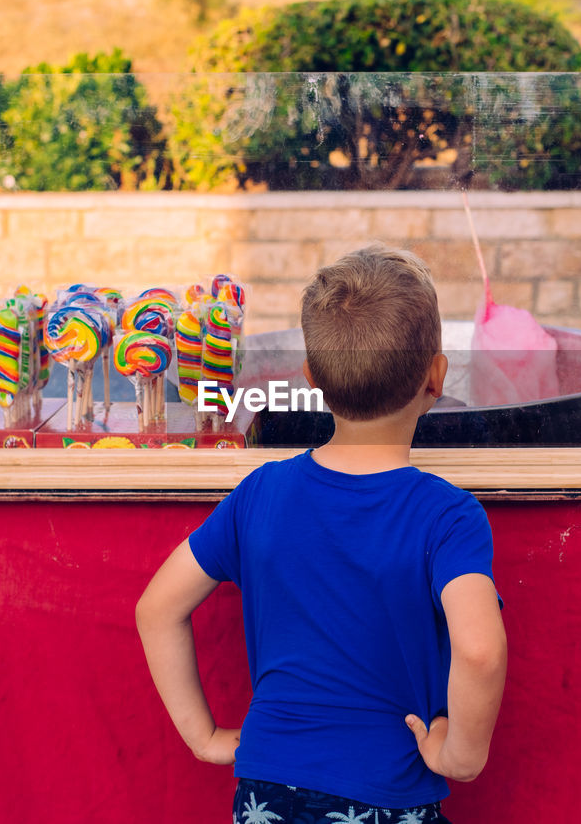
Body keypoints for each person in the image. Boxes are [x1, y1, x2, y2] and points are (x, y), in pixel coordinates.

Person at [136, 245, 507, 822]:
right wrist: (460, 755)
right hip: (390, 794)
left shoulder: (261, 493)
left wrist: (203, 736)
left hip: (268, 788)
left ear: (311, 380)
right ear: (437, 376)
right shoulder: (447, 516)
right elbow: (480, 649)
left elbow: (156, 608)